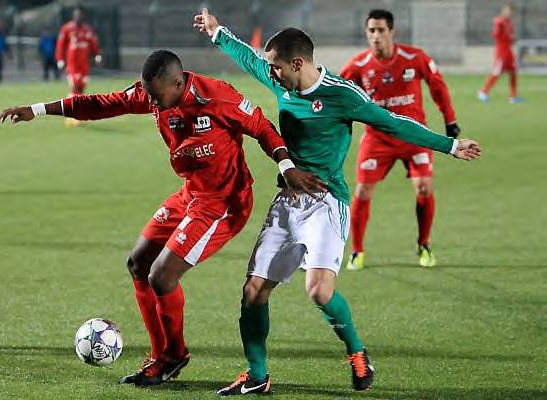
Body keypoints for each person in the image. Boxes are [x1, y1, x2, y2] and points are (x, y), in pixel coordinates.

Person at [195, 9, 481, 395]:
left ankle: (357, 352)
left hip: (327, 202)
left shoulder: (341, 94)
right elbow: (248, 58)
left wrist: (449, 145)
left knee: (319, 291)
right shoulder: (283, 82)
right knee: (253, 291)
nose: (271, 74)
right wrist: (218, 34)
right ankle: (257, 374)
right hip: (288, 200)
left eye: (276, 67)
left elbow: (393, 121)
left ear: (298, 63)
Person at [0, 50, 323, 387]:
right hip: (191, 194)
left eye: (156, 95)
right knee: (138, 263)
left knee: (162, 276)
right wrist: (37, 110)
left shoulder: (216, 96)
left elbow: (262, 128)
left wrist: (286, 166)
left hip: (224, 202)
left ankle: (173, 355)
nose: (151, 102)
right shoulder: (154, 95)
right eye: (148, 95)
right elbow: (101, 103)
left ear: (178, 83)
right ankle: (160, 356)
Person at [339, 9, 460, 270]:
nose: (376, 35)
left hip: (414, 136)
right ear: (366, 33)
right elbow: (336, 93)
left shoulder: (414, 58)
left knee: (424, 187)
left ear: (391, 31)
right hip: (377, 139)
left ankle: (424, 244)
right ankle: (357, 251)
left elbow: (437, 86)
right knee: (361, 191)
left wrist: (450, 120)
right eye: (371, 30)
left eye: (381, 30)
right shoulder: (358, 65)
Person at [56, 6, 102, 124]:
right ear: (74, 16)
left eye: (80, 15)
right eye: (77, 15)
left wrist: (97, 55)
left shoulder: (88, 30)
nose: (79, 17)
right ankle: (70, 114)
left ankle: (76, 113)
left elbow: (94, 43)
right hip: (72, 65)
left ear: (83, 17)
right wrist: (60, 59)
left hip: (84, 65)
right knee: (74, 87)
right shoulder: (67, 29)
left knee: (81, 89)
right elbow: (61, 44)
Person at [478, 4, 521, 103]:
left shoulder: (509, 23)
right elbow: (495, 35)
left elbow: (511, 37)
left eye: (510, 11)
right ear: (503, 11)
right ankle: (483, 92)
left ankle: (513, 96)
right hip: (501, 52)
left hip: (509, 52)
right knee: (496, 73)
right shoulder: (499, 22)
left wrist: (511, 37)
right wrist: (498, 26)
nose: (508, 13)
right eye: (506, 11)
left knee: (513, 72)